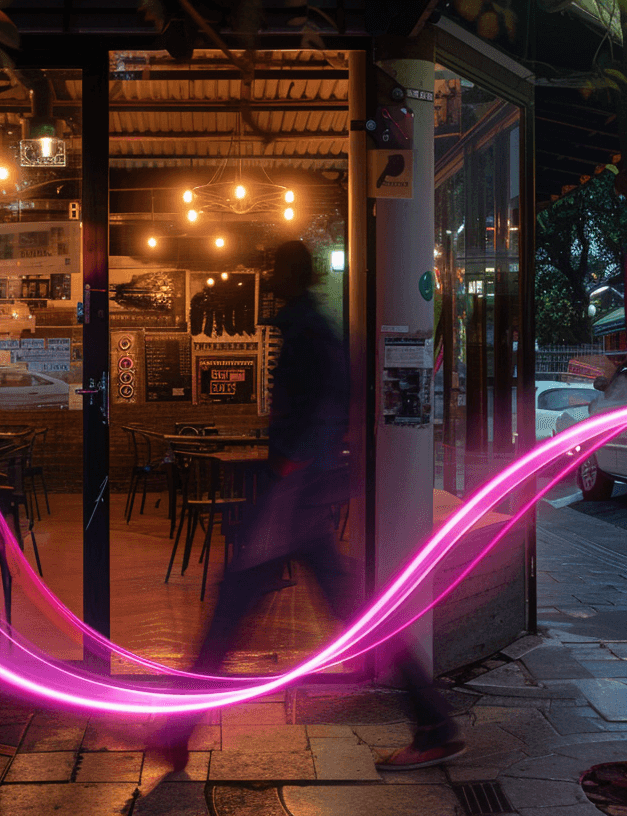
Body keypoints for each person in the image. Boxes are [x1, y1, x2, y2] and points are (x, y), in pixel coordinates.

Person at [149, 241, 464, 776]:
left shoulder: (305, 332)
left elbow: (320, 411)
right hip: (303, 496)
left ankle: (176, 733)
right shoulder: (312, 328)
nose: (269, 278)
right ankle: (434, 723)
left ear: (288, 274)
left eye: (274, 269)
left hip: (291, 496)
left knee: (232, 609)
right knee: (349, 614)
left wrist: (291, 477)